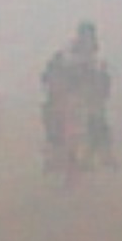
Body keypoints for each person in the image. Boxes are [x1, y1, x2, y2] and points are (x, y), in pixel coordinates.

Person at [41, 21, 113, 167]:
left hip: (87, 96)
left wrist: (99, 92)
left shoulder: (98, 58)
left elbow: (103, 82)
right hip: (66, 94)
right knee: (51, 112)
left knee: (98, 118)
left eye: (89, 37)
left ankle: (103, 151)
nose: (87, 40)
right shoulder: (65, 53)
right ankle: (54, 148)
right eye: (84, 36)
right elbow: (51, 74)